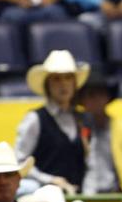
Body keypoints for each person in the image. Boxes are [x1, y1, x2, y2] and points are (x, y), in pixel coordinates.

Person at [15, 49, 88, 194]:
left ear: (75, 83)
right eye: (56, 78)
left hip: (78, 196)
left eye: (68, 78)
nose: (63, 84)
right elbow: (20, 161)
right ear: (47, 84)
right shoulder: (35, 118)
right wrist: (49, 180)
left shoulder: (83, 118)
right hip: (43, 198)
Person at [77, 72, 122, 194]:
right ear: (82, 100)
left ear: (107, 97)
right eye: (91, 95)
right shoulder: (75, 129)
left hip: (118, 193)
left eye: (101, 94)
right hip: (83, 193)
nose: (96, 100)